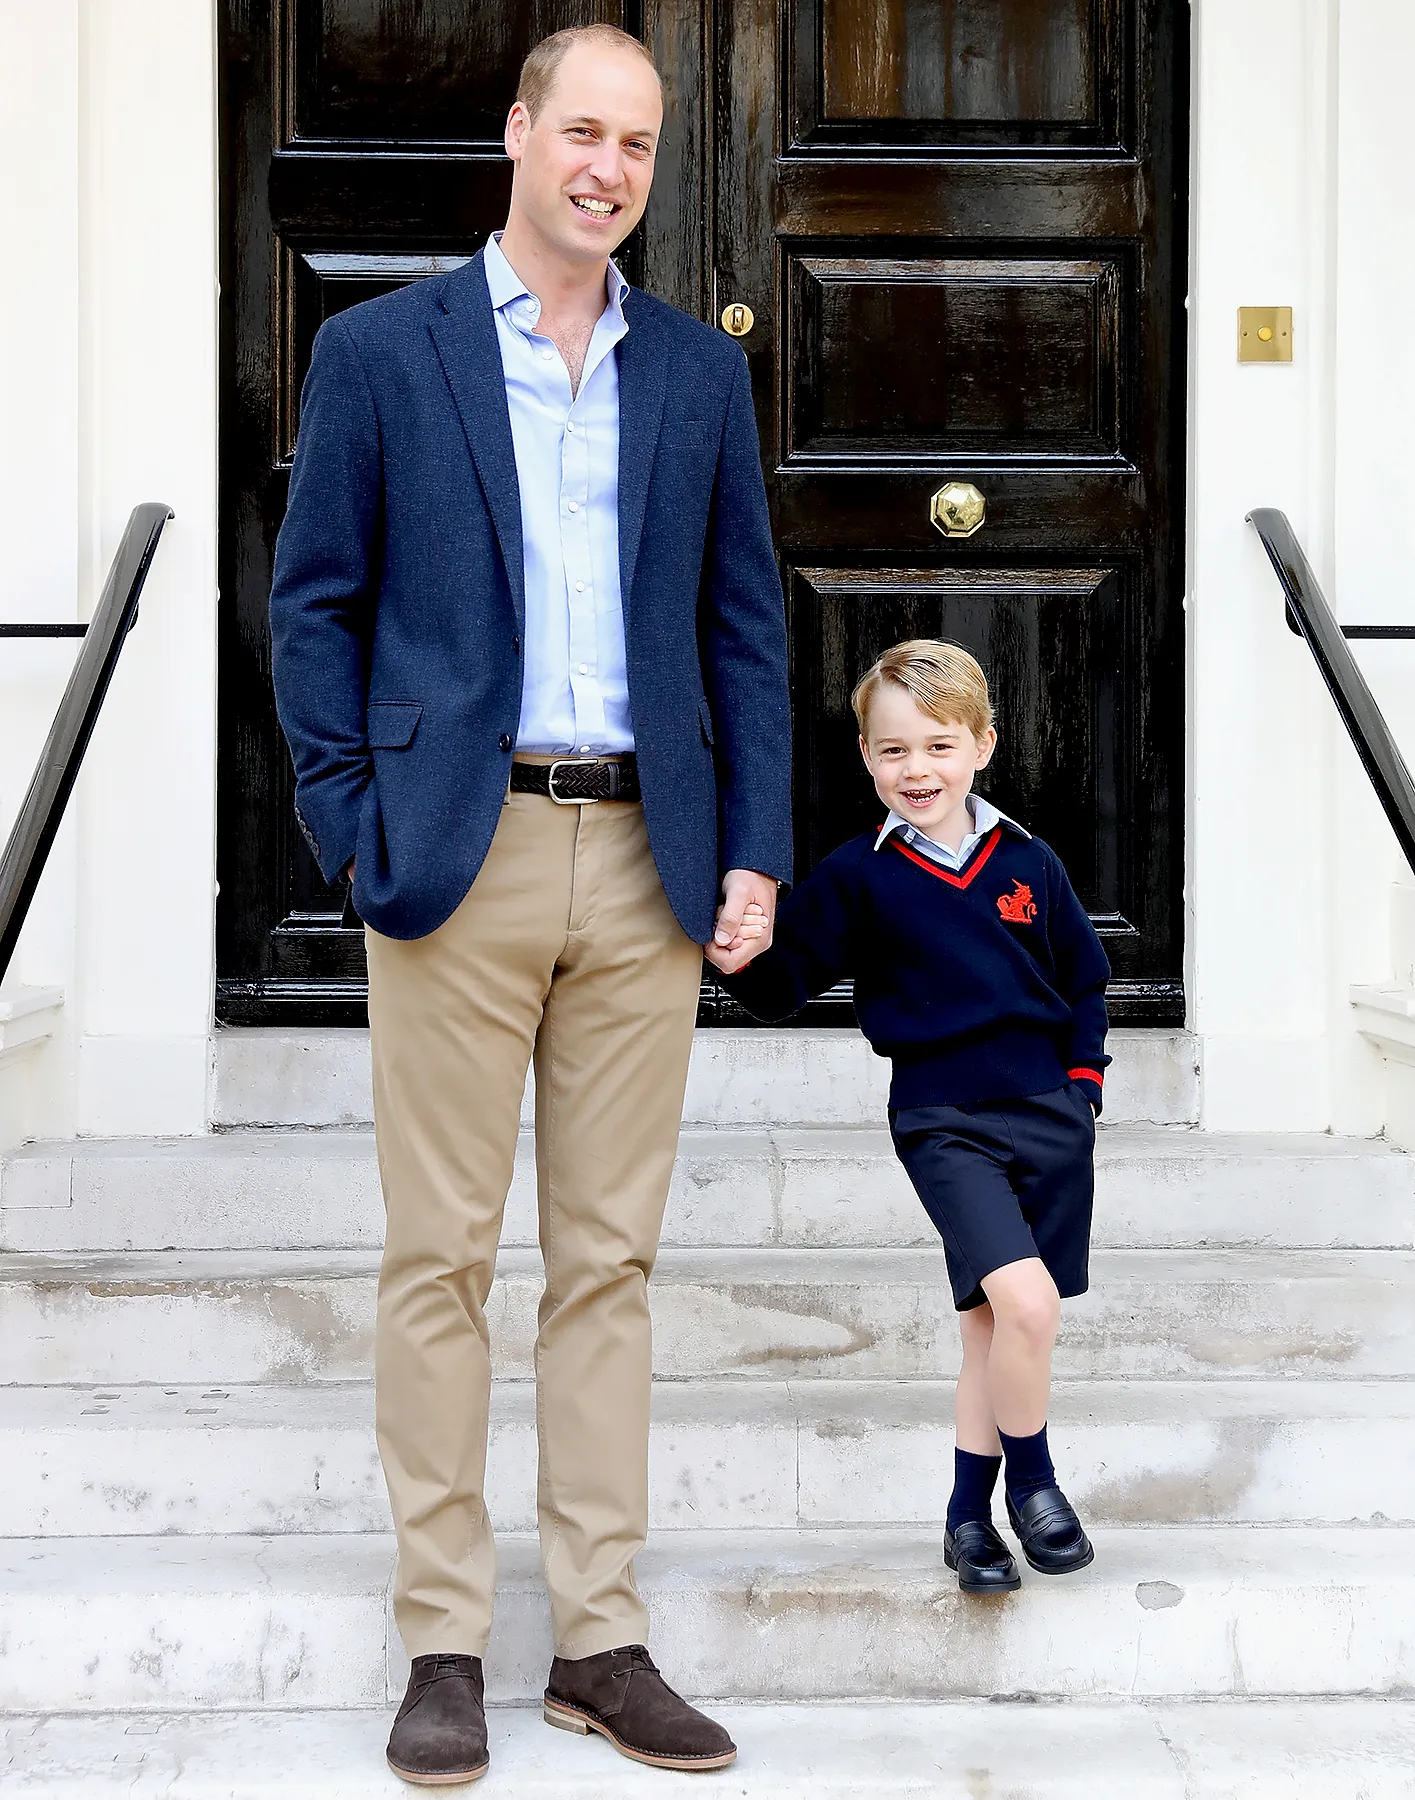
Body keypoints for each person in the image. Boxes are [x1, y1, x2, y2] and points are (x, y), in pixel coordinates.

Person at [268, 24, 789, 1785]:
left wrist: (756, 847)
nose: (610, 168)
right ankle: (439, 1641)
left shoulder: (698, 377)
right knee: (438, 1260)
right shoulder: (381, 352)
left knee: (608, 1266)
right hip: (456, 851)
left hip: (648, 861)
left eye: (638, 144)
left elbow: (745, 630)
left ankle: (597, 1639)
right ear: (518, 134)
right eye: (584, 130)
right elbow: (314, 603)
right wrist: (351, 825)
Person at [724, 639, 1108, 1599]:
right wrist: (727, 949)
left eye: (938, 746)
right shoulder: (860, 875)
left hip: (1048, 1117)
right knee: (1027, 1306)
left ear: (981, 744)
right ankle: (1037, 1486)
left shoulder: (1029, 861)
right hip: (943, 1119)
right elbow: (782, 985)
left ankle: (964, 1520)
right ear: (865, 757)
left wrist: (1083, 1089)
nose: (916, 769)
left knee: (992, 1328)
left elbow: (1084, 983)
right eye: (893, 751)